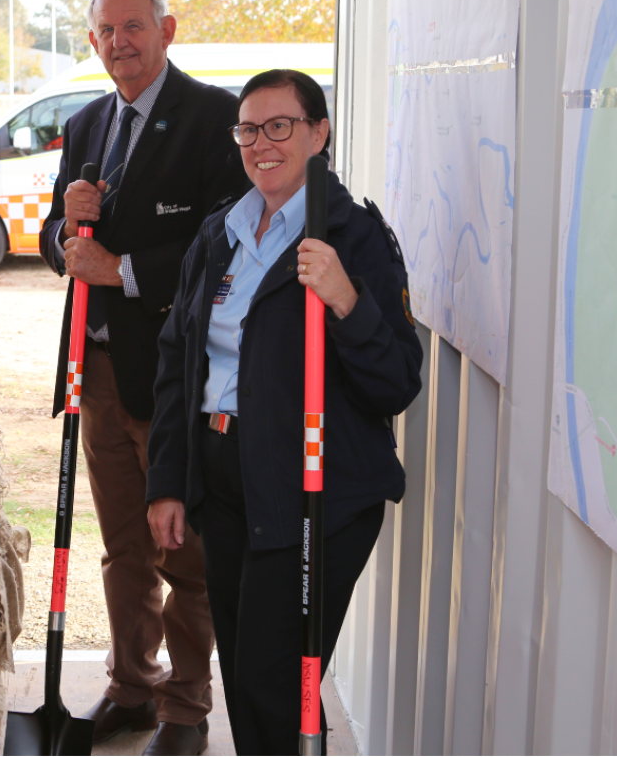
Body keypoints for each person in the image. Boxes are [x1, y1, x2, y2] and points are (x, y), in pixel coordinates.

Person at [146, 70, 423, 755]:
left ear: (319, 134)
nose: (261, 143)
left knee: (275, 679)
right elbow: (180, 362)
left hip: (314, 496)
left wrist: (345, 300)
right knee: (248, 675)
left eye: (281, 126)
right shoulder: (220, 233)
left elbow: (396, 383)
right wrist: (170, 481)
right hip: (229, 486)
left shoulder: (354, 239)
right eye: (248, 129)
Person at [39, 0, 251, 757]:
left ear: (168, 30)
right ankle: (132, 687)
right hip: (94, 372)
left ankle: (187, 708)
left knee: (182, 543)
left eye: (133, 27)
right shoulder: (88, 121)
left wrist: (122, 269)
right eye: (105, 31)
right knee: (123, 541)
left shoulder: (215, 118)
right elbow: (55, 245)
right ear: (92, 41)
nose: (119, 43)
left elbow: (225, 242)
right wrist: (68, 232)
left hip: (171, 376)